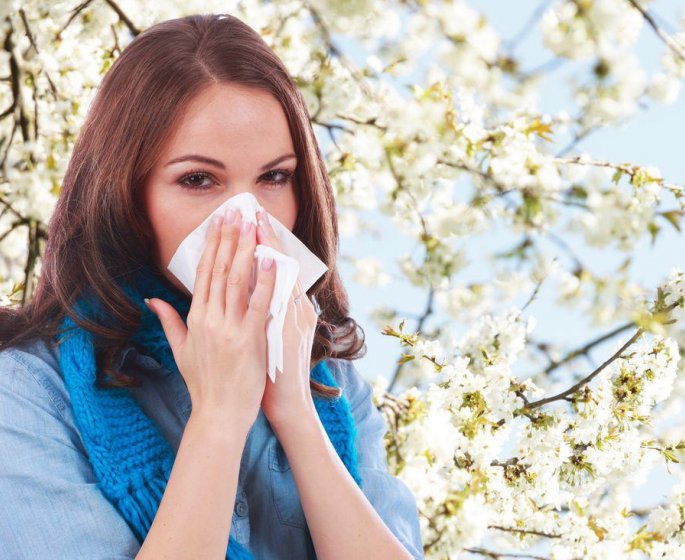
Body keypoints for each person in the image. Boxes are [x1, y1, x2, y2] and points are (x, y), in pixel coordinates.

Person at [0, 13, 424, 560]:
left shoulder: (334, 382)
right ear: (126, 198)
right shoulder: (28, 388)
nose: (246, 219)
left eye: (274, 177)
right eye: (198, 180)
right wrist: (220, 418)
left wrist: (293, 409)